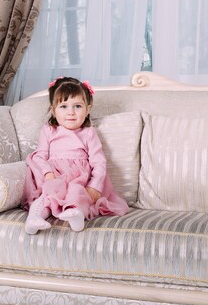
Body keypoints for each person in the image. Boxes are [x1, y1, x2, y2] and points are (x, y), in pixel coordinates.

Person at [23, 77, 129, 235]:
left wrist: (95, 187)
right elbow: (39, 155)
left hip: (78, 177)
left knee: (76, 193)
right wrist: (48, 173)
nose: (71, 112)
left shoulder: (88, 132)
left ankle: (77, 218)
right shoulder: (49, 130)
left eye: (77, 106)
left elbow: (99, 162)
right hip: (55, 175)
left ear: (88, 109)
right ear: (53, 110)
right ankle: (34, 219)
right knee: (47, 195)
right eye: (64, 106)